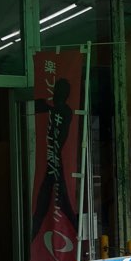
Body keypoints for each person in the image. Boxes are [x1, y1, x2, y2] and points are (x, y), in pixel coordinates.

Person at [30, 77, 78, 241]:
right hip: (52, 163)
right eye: (57, 91)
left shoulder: (65, 111)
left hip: (54, 163)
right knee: (48, 204)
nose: (57, 95)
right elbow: (33, 106)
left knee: (54, 203)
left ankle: (78, 235)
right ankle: (31, 238)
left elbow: (60, 137)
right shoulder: (53, 109)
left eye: (61, 92)